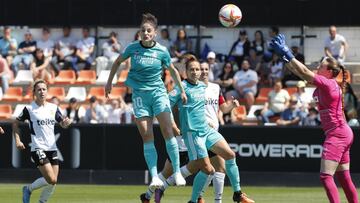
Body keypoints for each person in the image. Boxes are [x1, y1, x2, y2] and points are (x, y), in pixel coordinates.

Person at [272, 34, 358, 203]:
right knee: (344, 178)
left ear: (330, 71)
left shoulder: (329, 83)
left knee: (326, 176)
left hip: (337, 134)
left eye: (321, 65)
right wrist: (284, 56)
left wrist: (287, 52)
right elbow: (298, 71)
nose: (318, 67)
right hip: (342, 132)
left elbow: (303, 71)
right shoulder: (325, 82)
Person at [105, 13, 187, 190]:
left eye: (149, 30)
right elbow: (117, 62)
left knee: (167, 130)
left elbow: (172, 70)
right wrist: (109, 82)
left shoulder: (162, 51)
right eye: (143, 30)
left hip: (158, 93)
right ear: (139, 33)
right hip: (140, 95)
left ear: (155, 33)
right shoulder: (132, 48)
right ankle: (154, 176)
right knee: (146, 134)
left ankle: (178, 172)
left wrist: (181, 90)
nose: (145, 33)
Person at [168, 55, 254, 203]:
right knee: (207, 170)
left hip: (208, 131)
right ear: (186, 72)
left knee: (229, 156)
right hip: (193, 134)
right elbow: (166, 105)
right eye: (193, 69)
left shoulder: (206, 87)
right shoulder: (181, 88)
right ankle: (190, 198)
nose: (197, 72)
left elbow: (220, 107)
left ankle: (237, 194)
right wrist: (174, 124)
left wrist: (231, 106)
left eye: (199, 69)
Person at [13, 79, 71, 203]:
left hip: (52, 148)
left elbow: (63, 123)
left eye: (44, 89)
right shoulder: (29, 109)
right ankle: (28, 189)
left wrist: (66, 123)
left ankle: (42, 201)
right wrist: (18, 141)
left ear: (47, 91)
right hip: (38, 147)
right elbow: (15, 124)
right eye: (39, 89)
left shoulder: (53, 108)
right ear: (34, 92)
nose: (42, 92)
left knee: (53, 181)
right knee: (51, 178)